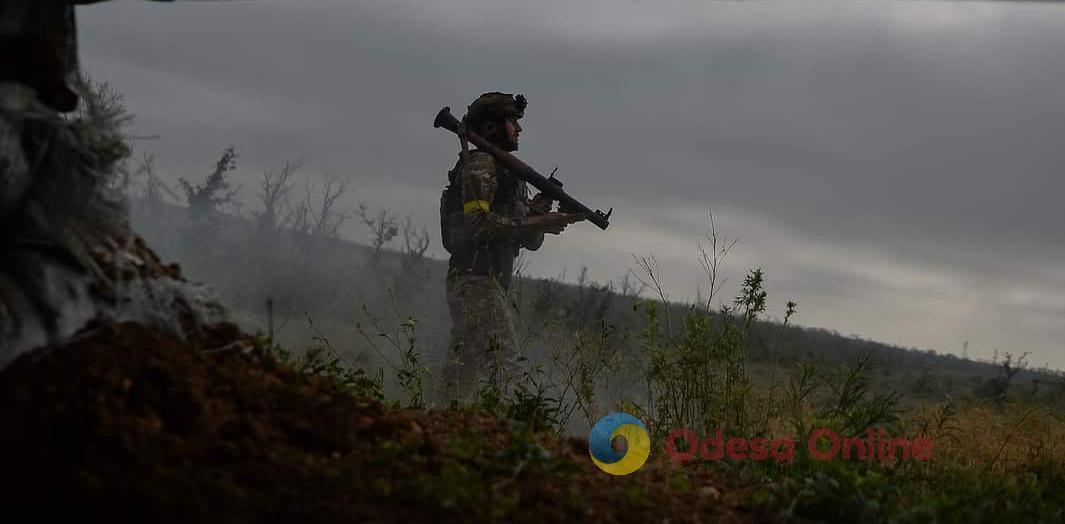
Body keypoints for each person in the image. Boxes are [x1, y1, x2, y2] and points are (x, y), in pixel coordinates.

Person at [439, 92, 581, 403]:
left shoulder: (509, 176)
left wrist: (540, 210)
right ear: (491, 128)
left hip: (489, 282)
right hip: (475, 280)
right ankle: (526, 436)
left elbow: (528, 242)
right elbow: (478, 226)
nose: (518, 129)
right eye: (512, 121)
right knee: (507, 369)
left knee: (462, 375)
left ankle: (434, 427)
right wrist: (539, 222)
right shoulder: (481, 165)